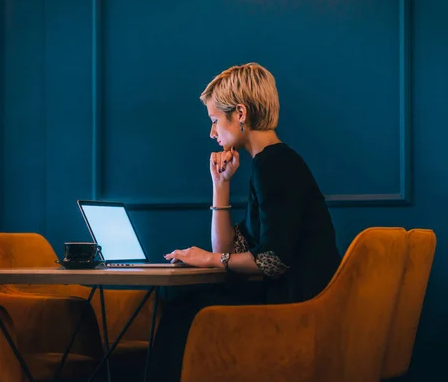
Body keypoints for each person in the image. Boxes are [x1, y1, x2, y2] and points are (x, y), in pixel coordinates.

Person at [145, 63, 342, 381]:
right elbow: (230, 248)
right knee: (187, 305)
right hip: (301, 302)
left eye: (214, 120)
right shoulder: (271, 162)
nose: (211, 132)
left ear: (239, 113)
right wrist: (220, 185)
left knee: (184, 311)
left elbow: (272, 262)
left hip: (300, 309)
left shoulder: (274, 166)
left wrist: (207, 259)